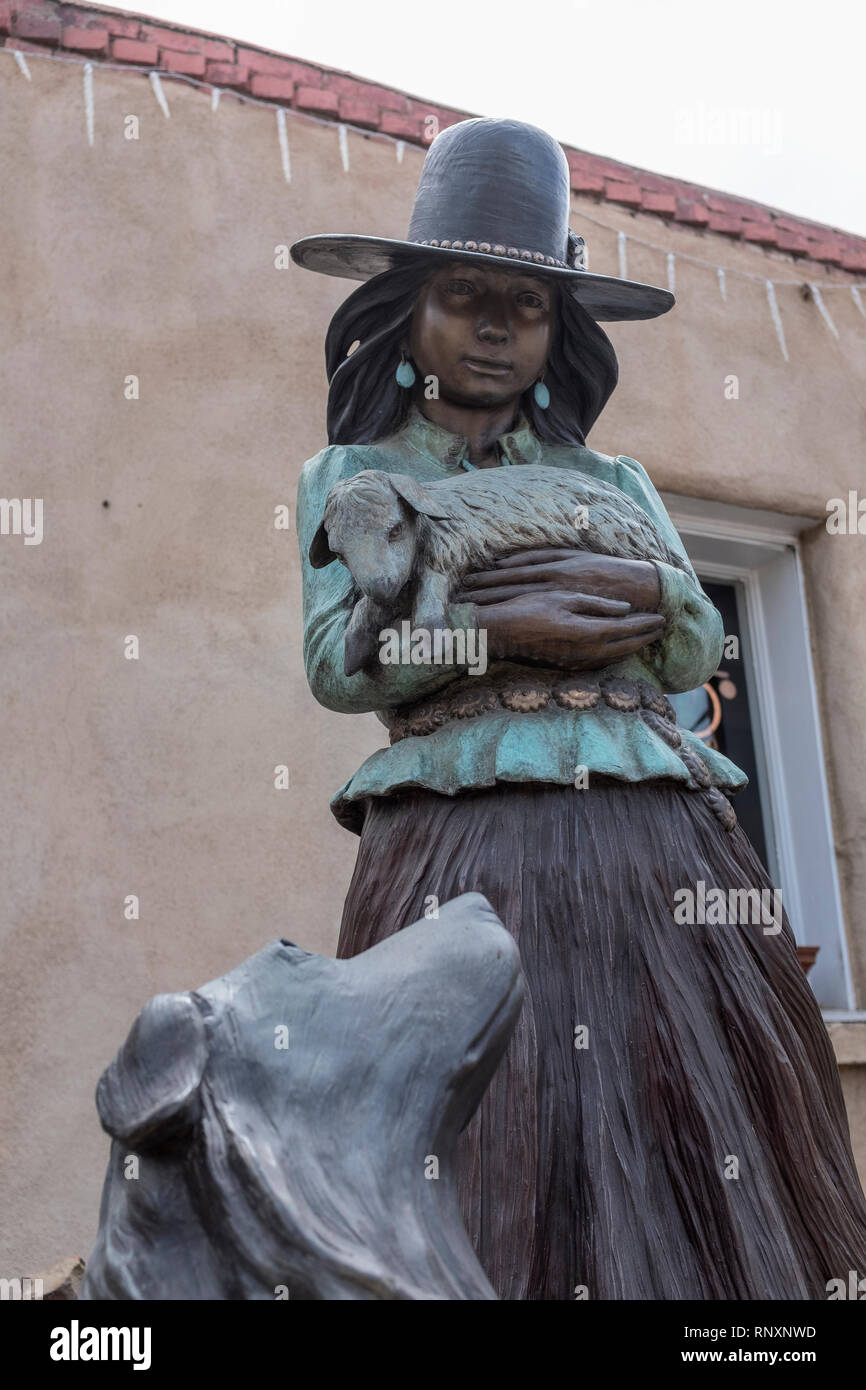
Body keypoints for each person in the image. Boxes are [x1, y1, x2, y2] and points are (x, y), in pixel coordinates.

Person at [292, 118, 866, 1299]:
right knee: (489, 1121)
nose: (499, 326)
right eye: (466, 296)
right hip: (462, 837)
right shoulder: (351, 479)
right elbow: (340, 667)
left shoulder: (614, 483)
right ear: (407, 313)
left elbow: (690, 645)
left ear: (562, 334)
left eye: (529, 303)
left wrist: (645, 593)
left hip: (659, 827)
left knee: (708, 1111)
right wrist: (496, 630)